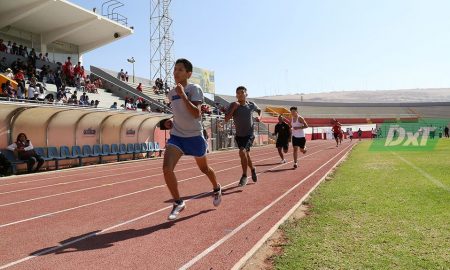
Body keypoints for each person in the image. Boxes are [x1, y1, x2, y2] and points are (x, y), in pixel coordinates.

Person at [162, 58, 222, 220]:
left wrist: (183, 95)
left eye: (180, 70)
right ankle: (178, 202)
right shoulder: (171, 93)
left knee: (204, 169)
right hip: (177, 136)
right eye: (175, 69)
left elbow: (196, 113)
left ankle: (216, 188)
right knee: (167, 168)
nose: (176, 72)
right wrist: (171, 121)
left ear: (188, 73)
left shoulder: (194, 89)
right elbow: (179, 114)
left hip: (194, 136)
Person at [224, 86, 262, 186]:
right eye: (238, 93)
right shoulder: (232, 105)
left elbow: (259, 110)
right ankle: (253, 169)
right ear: (236, 95)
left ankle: (244, 176)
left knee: (242, 152)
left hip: (249, 134)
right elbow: (226, 119)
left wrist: (259, 117)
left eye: (242, 92)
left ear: (246, 94)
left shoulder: (251, 105)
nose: (240, 94)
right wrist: (233, 109)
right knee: (246, 155)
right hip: (239, 135)